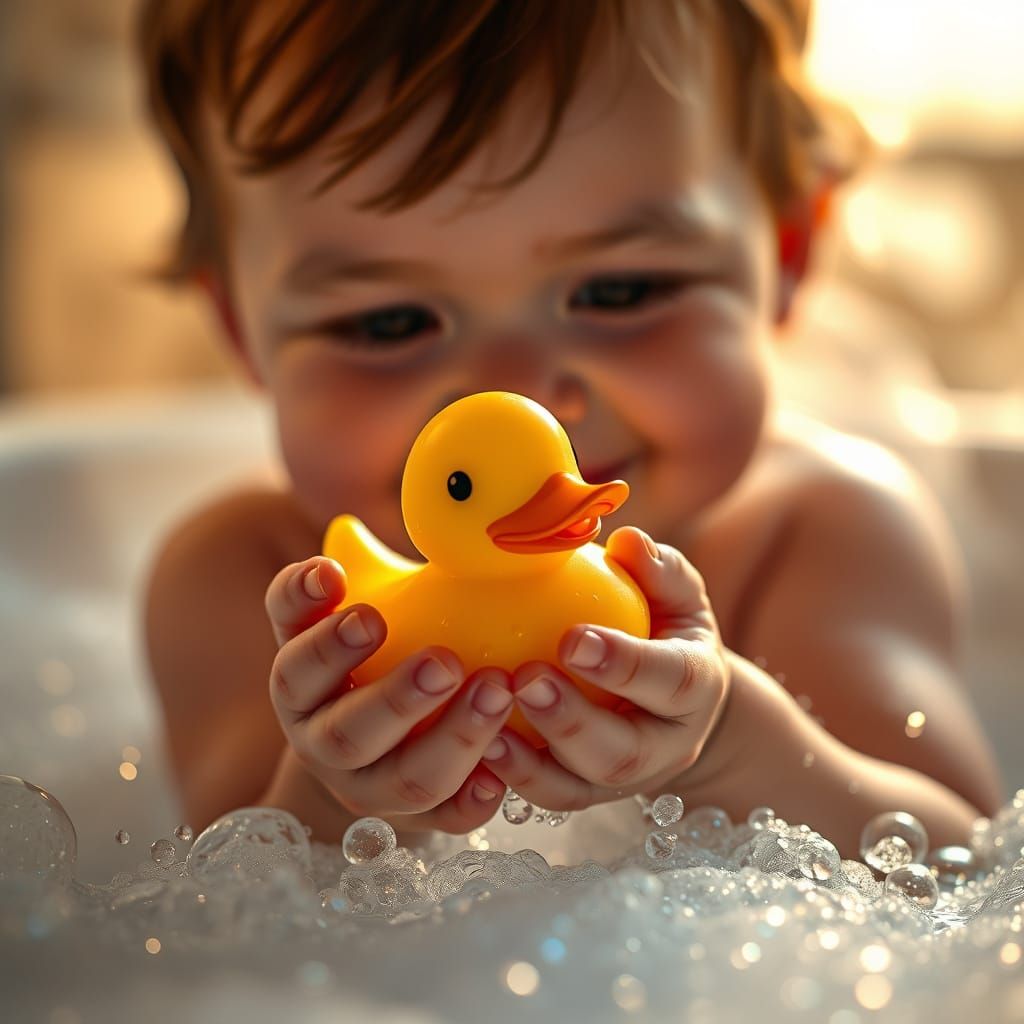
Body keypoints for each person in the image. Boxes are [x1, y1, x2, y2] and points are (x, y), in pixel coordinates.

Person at [138, 0, 1005, 860]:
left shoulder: (820, 537)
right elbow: (211, 926)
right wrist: (334, 794)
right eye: (388, 323)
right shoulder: (240, 576)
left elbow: (966, 876)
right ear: (243, 327)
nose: (520, 404)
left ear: (785, 250)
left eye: (619, 293)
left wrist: (732, 742)